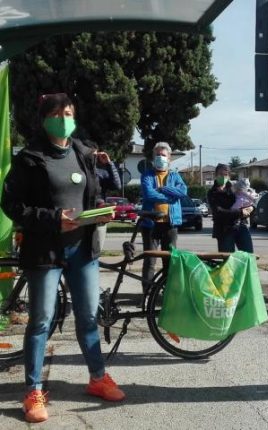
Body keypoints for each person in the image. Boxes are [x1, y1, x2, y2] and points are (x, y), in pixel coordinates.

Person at [1, 93, 125, 423]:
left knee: (87, 316)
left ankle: (98, 378)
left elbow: (93, 192)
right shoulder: (29, 158)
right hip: (45, 251)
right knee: (41, 319)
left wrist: (100, 212)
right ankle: (33, 391)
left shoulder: (83, 152)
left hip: (82, 249)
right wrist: (52, 218)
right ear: (44, 118)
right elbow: (12, 205)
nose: (64, 118)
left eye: (68, 112)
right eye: (57, 113)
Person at [140, 142, 187, 287]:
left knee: (170, 261)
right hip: (150, 224)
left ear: (169, 158)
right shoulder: (146, 175)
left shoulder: (175, 176)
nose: (160, 157)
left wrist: (164, 189)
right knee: (150, 261)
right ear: (153, 157)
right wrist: (170, 197)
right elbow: (149, 194)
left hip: (170, 224)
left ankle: (168, 293)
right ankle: (146, 295)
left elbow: (183, 192)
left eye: (163, 155)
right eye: (158, 155)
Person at [82, 140, 122, 249]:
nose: (91, 159)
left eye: (94, 156)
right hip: (80, 217)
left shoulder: (101, 172)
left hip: (99, 217)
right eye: (89, 155)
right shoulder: (76, 172)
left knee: (95, 251)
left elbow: (117, 185)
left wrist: (109, 164)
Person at [207, 163, 254, 253]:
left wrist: (252, 208)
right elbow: (218, 212)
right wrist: (240, 212)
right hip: (224, 229)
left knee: (249, 256)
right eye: (220, 174)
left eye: (226, 175)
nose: (223, 177)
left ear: (229, 176)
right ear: (216, 175)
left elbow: (249, 199)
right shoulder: (212, 192)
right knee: (228, 260)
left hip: (241, 226)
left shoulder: (236, 188)